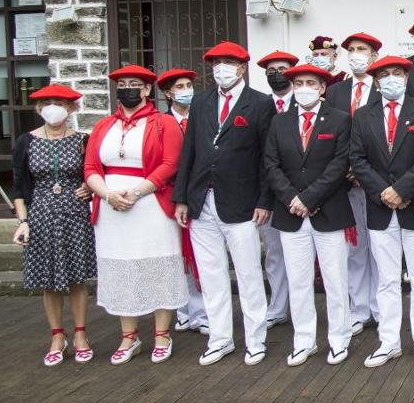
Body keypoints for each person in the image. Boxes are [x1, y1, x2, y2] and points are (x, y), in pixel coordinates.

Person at [173, 41, 276, 366]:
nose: (221, 68)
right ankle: (220, 339)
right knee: (211, 274)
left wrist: (265, 200)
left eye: (228, 62)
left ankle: (256, 339)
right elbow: (188, 151)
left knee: (248, 274)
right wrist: (181, 197)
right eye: (216, 62)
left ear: (242, 68)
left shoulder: (260, 103)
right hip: (201, 200)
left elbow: (267, 157)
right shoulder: (201, 101)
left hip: (242, 203)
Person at [84, 65, 187, 364]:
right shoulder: (103, 126)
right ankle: (129, 336)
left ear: (146, 90)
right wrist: (107, 195)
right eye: (122, 84)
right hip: (111, 208)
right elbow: (90, 167)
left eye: (134, 84)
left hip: (151, 204)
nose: (127, 88)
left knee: (158, 267)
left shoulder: (163, 123)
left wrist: (138, 192)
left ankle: (162, 334)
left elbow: (171, 163)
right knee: (121, 269)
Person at [350, 55, 414, 368]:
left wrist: (402, 190)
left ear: (406, 78)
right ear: (376, 82)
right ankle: (388, 342)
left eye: (397, 73)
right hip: (380, 209)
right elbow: (357, 160)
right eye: (384, 75)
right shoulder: (363, 116)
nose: (391, 78)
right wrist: (385, 193)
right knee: (387, 281)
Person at [262, 63, 357, 367]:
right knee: (298, 280)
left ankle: (339, 339)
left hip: (329, 211)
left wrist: (309, 198)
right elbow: (271, 165)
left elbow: (340, 164)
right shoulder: (279, 122)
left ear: (322, 87)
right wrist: (293, 198)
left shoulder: (340, 120)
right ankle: (304, 340)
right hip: (291, 212)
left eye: (311, 83)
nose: (305, 88)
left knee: (335, 280)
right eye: (299, 83)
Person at [11, 85, 95, 366]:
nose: (53, 107)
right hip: (41, 215)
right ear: (38, 109)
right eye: (47, 103)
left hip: (75, 214)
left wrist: (89, 188)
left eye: (60, 103)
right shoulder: (27, 141)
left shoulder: (82, 140)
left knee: (77, 278)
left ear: (71, 109)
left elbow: (93, 174)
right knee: (48, 280)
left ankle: (80, 334)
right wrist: (23, 221)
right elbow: (20, 186)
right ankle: (57, 336)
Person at [327, 32, 384, 336]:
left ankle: (381, 308)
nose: (356, 54)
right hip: (345, 182)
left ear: (374, 56)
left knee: (381, 248)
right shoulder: (336, 92)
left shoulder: (385, 87)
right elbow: (332, 134)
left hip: (377, 181)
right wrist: (346, 168)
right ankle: (360, 309)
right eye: (351, 49)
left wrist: (365, 171)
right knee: (355, 248)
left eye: (362, 49)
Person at [157, 68, 209, 336]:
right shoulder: (160, 122)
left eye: (189, 85)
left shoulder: (202, 118)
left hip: (198, 194)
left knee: (199, 255)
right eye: (180, 87)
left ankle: (201, 312)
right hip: (169, 195)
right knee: (174, 255)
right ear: (168, 93)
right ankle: (182, 310)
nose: (186, 91)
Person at [255, 51, 299, 330]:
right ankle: (278, 307)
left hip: (306, 192)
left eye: (282, 69)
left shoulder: (307, 100)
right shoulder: (259, 106)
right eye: (271, 70)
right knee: (274, 253)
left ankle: (305, 308)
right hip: (270, 191)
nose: (276, 74)